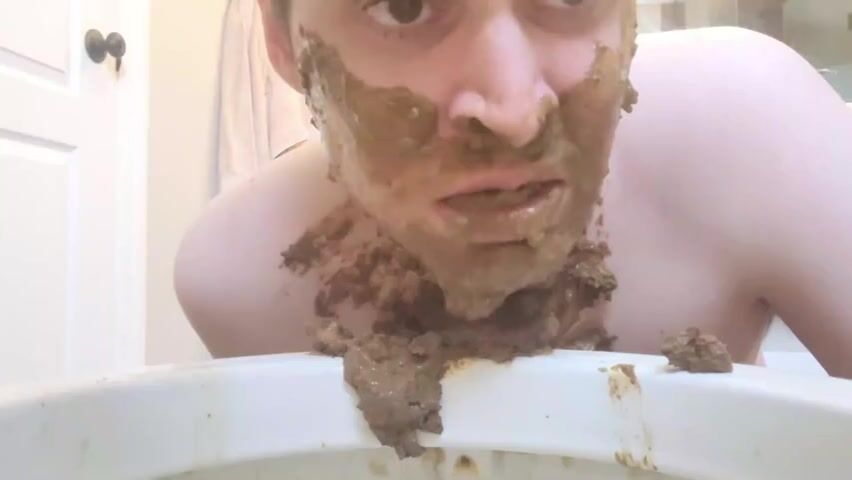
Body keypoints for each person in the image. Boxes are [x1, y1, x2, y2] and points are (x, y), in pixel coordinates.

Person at [175, 0, 852, 379]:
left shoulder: (756, 128)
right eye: (405, 7)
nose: (513, 110)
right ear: (283, 42)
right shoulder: (244, 277)